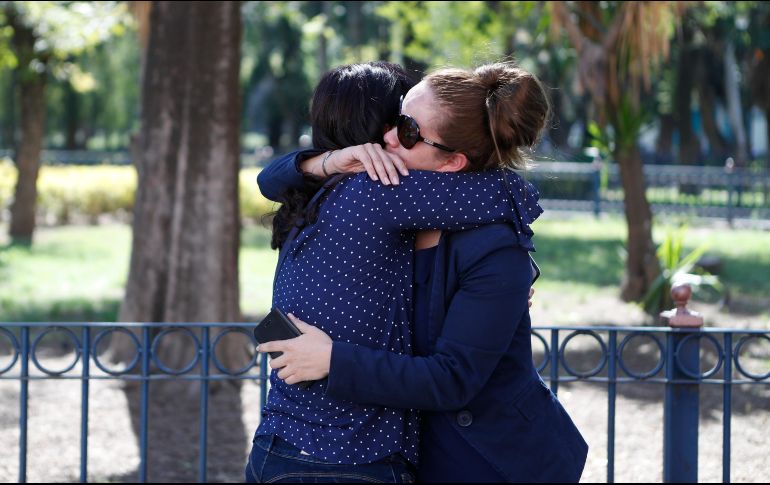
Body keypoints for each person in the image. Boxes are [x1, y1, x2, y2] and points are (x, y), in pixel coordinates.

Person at [256, 61, 588, 483]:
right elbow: (271, 180)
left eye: (409, 131)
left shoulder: (493, 246)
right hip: (403, 452)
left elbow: (453, 376)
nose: (387, 137)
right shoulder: (389, 211)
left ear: (452, 164)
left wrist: (332, 359)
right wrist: (328, 162)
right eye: (394, 120)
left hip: (491, 459)